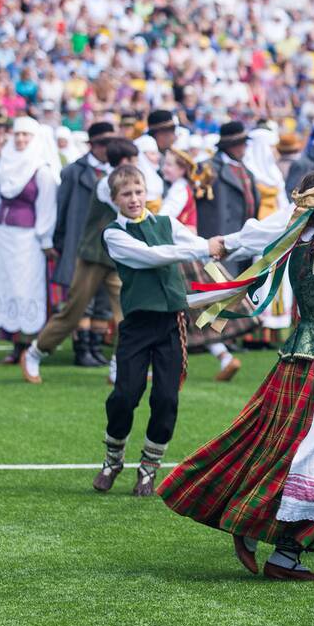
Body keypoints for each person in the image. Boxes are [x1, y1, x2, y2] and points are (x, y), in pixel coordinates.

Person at [158, 173, 314, 581]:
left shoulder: (296, 248)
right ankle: (257, 528)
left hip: (303, 354)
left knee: (279, 440)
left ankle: (281, 551)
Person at [93, 165, 216, 496]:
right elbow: (154, 257)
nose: (133, 199)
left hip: (171, 322)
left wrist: (232, 248)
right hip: (137, 325)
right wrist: (206, 248)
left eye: (138, 192)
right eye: (125, 194)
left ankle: (149, 467)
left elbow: (202, 245)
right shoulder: (114, 234)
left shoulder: (165, 223)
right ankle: (113, 458)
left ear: (146, 192)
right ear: (114, 199)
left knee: (166, 397)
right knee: (125, 395)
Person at [22, 137, 140, 383]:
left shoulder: (126, 180)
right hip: (93, 257)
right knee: (73, 314)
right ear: (124, 161)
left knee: (127, 314)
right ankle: (34, 353)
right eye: (133, 159)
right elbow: (128, 210)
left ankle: (118, 366)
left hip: (117, 258)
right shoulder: (105, 185)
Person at [160, 146, 256, 380]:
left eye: (169, 164)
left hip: (181, 257)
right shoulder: (186, 188)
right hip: (191, 255)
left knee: (171, 311)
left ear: (182, 169)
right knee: (199, 312)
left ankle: (155, 365)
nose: (165, 168)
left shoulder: (178, 189)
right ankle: (224, 357)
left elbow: (164, 219)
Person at [49, 122, 118, 367]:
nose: (105, 149)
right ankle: (82, 349)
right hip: (80, 243)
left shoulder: (117, 172)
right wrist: (59, 240)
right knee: (82, 301)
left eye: (109, 144)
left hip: (108, 244)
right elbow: (61, 208)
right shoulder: (74, 172)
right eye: (101, 144)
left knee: (102, 302)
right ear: (92, 145)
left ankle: (96, 347)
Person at [0, 117, 60, 358]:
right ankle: (14, 343)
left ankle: (29, 343)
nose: (21, 139)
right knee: (6, 285)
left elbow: (46, 208)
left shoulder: (41, 170)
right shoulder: (5, 163)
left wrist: (45, 239)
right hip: (3, 236)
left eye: (26, 135)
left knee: (26, 287)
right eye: (18, 135)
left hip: (28, 239)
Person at [197, 121, 260, 252]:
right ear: (231, 146)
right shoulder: (208, 168)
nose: (244, 147)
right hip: (220, 240)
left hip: (243, 239)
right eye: (241, 143)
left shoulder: (246, 171)